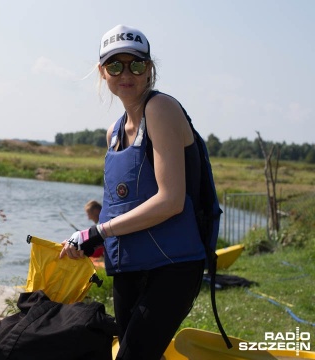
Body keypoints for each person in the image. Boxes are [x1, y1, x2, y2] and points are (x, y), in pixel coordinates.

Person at [60, 24, 206, 360]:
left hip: (172, 266)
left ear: (149, 69)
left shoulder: (161, 109)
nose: (126, 73)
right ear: (102, 72)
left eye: (136, 64)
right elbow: (118, 207)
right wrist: (88, 240)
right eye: (115, 65)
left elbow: (170, 201)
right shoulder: (113, 132)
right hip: (129, 267)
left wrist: (96, 232)